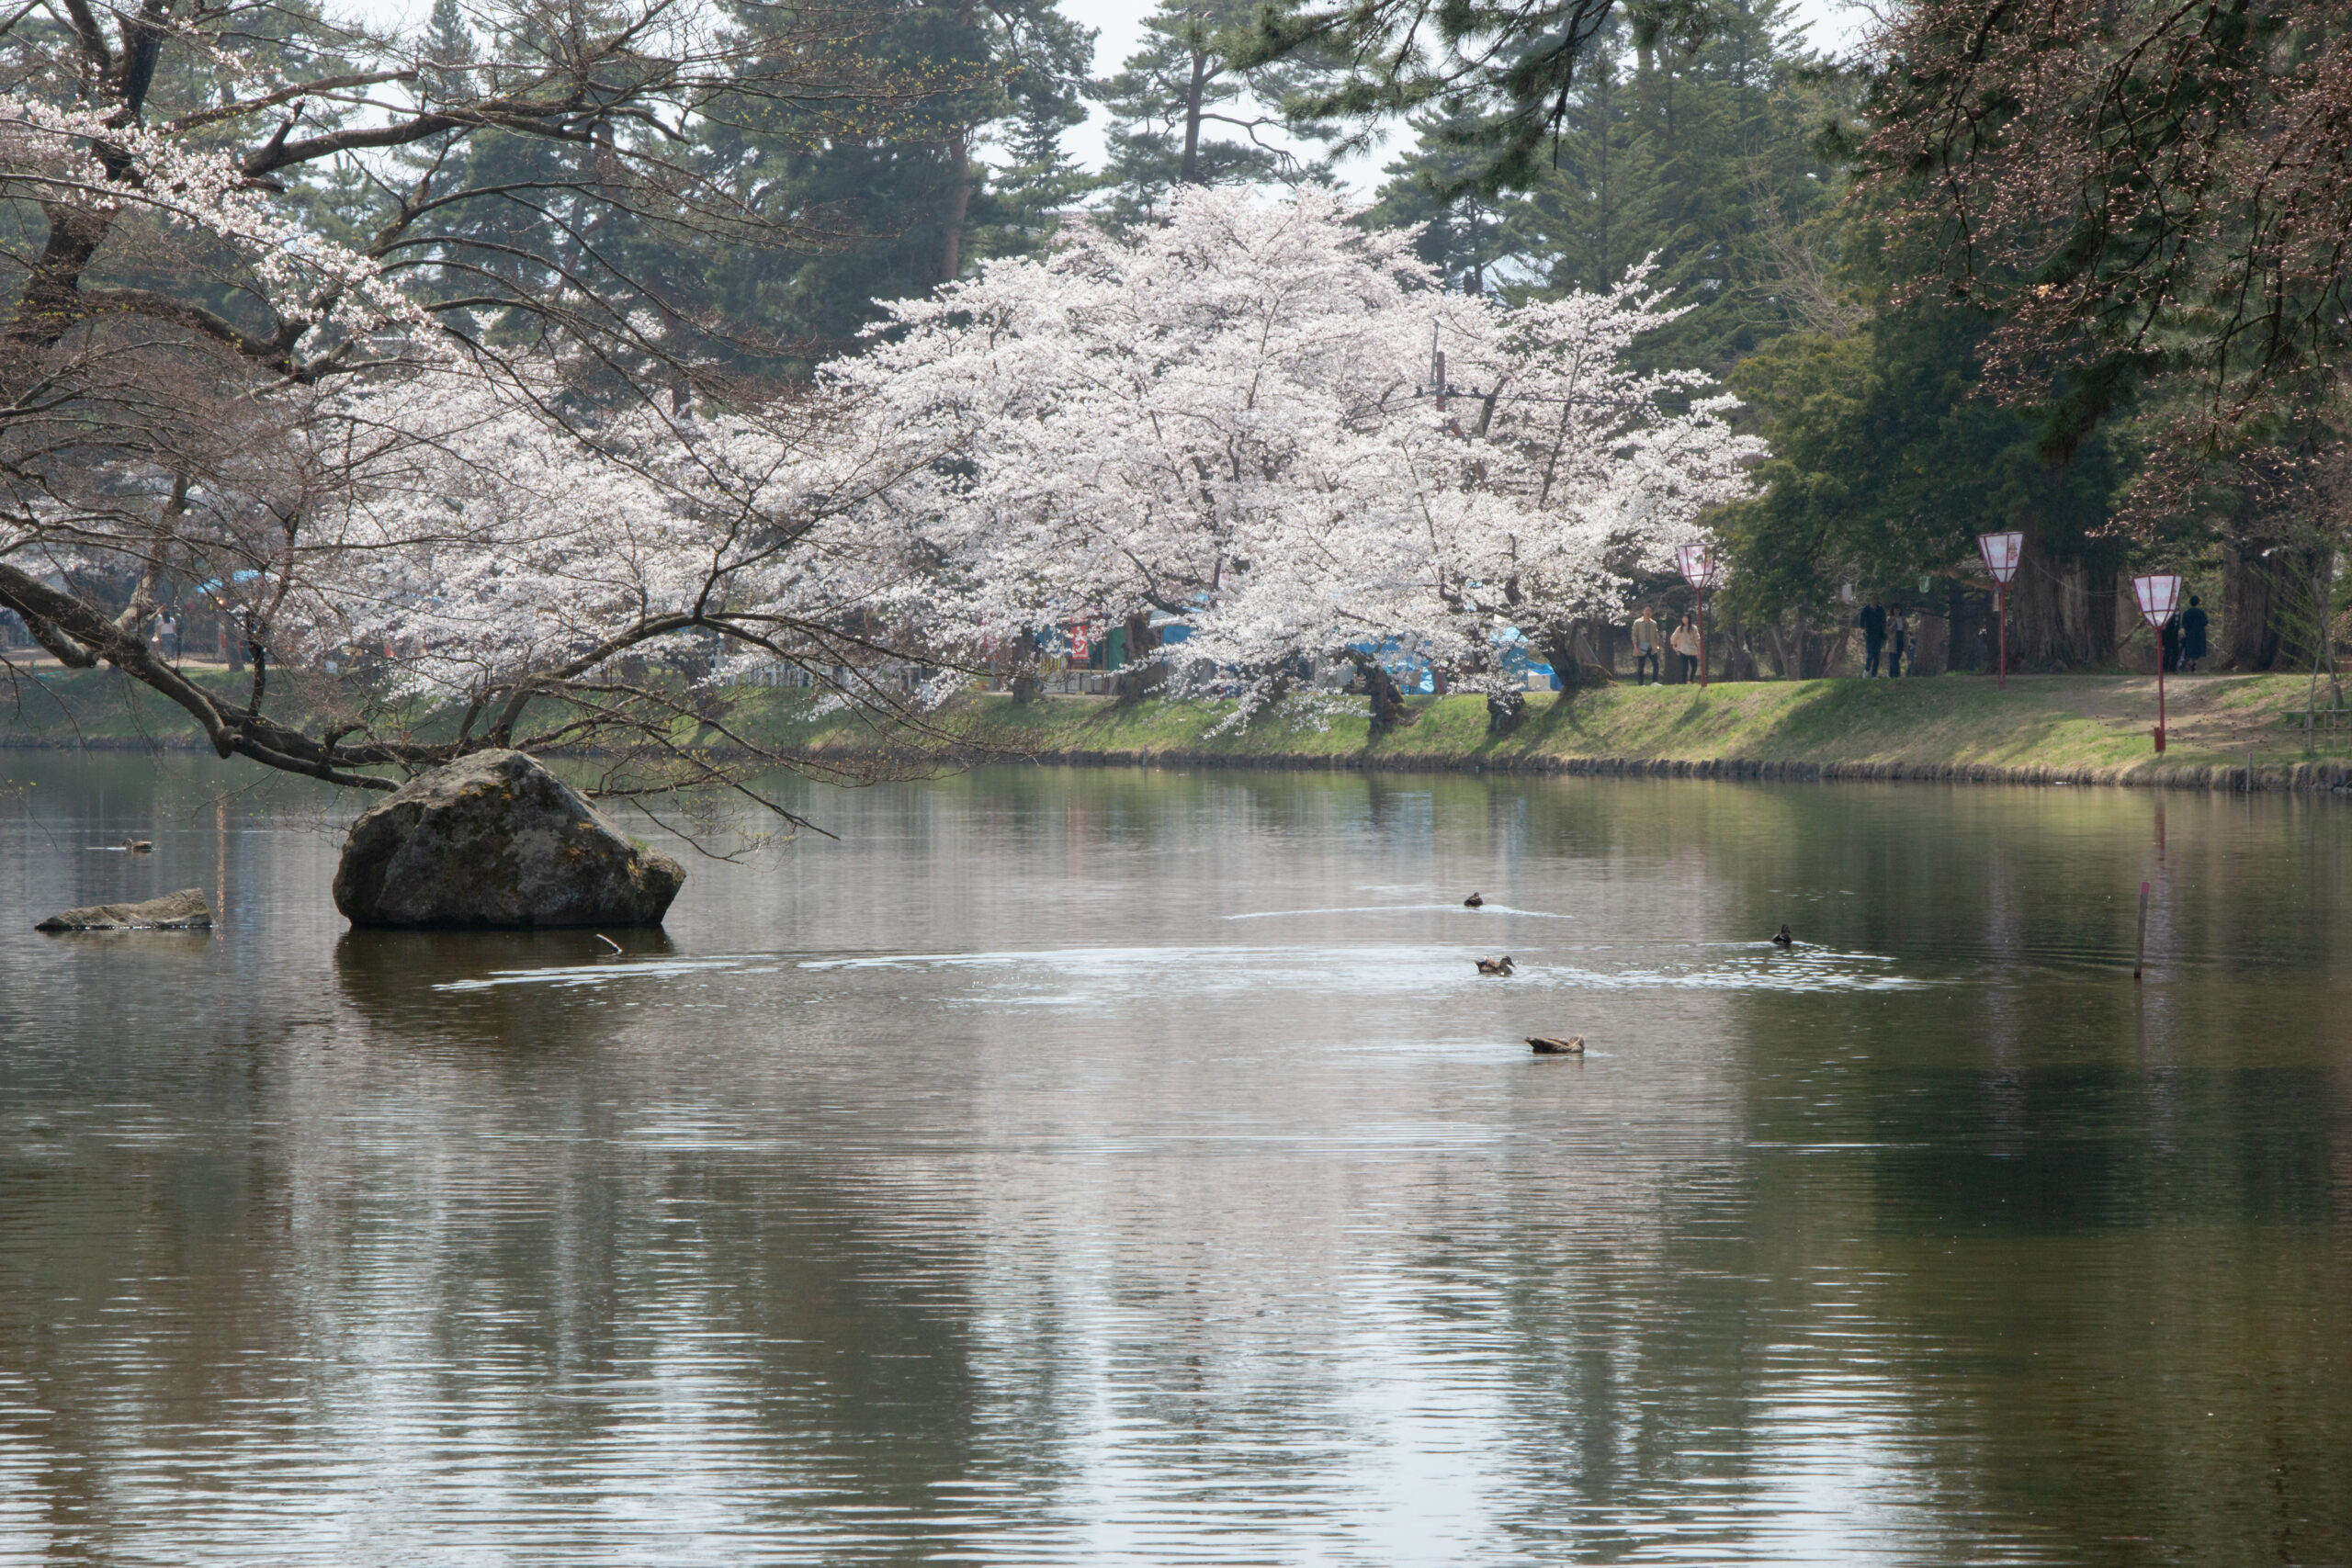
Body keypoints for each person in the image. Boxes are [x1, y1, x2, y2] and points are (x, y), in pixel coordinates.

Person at [1631, 607, 1661, 685]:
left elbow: (1656, 634)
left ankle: (1654, 682)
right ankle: (1641, 683)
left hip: (1652, 646)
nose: (1648, 613)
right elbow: (1634, 635)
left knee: (1656, 664)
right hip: (1642, 645)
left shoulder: (1654, 623)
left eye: (1650, 611)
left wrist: (1657, 645)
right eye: (1646, 611)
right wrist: (1635, 646)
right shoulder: (1637, 622)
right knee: (1641, 666)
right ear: (1643, 612)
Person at [1858, 601, 1887, 677]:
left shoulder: (1880, 609)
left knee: (1877, 655)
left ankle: (1874, 674)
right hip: (1869, 635)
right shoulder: (1866, 609)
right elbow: (1861, 622)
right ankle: (1866, 669)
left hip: (1879, 635)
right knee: (1870, 654)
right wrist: (1864, 630)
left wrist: (1884, 633)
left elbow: (1884, 621)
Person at [1670, 614, 1702, 684]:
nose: (1684, 619)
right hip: (1683, 650)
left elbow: (1697, 639)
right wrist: (1674, 646)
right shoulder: (1679, 629)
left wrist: (1699, 650)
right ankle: (1684, 682)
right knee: (1684, 668)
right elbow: (1673, 638)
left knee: (1694, 666)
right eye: (1683, 618)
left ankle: (1690, 680)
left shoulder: (1693, 628)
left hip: (1692, 650)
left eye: (1686, 618)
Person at [2180, 594, 2208, 671]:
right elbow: (2205, 622)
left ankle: (2191, 662)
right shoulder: (2201, 612)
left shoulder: (2186, 613)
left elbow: (2184, 624)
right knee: (2198, 650)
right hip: (2199, 633)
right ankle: (2195, 663)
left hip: (2190, 634)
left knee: (2190, 649)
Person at [1887, 602, 1909, 679]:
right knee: (1893, 658)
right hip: (1893, 639)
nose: (1897, 611)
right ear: (1893, 610)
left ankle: (1890, 674)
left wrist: (1905, 624)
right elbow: (1888, 630)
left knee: (1898, 656)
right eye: (1895, 609)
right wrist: (1893, 624)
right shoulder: (1890, 619)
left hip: (1901, 637)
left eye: (1898, 609)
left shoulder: (1903, 618)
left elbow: (1906, 628)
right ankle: (1896, 675)